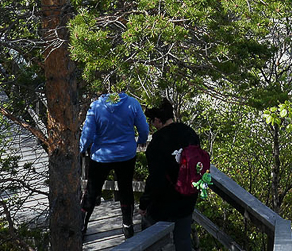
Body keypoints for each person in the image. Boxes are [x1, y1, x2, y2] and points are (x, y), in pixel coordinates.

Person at [80, 90, 149, 238]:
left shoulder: (96, 106)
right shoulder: (132, 104)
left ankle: (82, 224)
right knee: (126, 189)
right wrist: (141, 140)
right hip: (126, 155)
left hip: (101, 156)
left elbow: (88, 133)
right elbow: (143, 128)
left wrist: (82, 148)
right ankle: (127, 226)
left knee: (92, 190)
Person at [139, 98, 201, 251]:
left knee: (150, 233)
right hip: (189, 194)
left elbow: (155, 178)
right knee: (183, 238)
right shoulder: (189, 133)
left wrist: (144, 203)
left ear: (158, 120)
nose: (153, 125)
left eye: (153, 121)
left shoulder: (157, 143)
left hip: (165, 199)